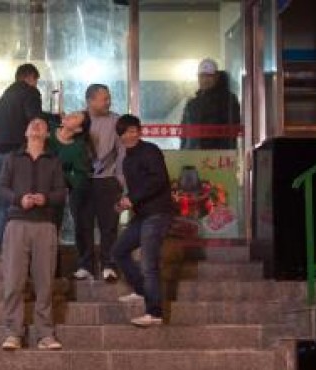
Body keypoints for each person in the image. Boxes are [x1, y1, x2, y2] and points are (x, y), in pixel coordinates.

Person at [0, 116, 66, 351]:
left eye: (42, 125)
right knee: (13, 281)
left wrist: (45, 198)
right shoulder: (12, 159)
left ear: (47, 134)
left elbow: (61, 193)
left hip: (45, 225)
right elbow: (1, 188)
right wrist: (19, 199)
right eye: (32, 124)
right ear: (26, 132)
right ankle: (13, 333)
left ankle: (45, 334)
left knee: (45, 283)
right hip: (17, 223)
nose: (36, 126)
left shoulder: (54, 161)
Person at [111, 115, 174, 328]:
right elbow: (135, 189)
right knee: (119, 251)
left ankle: (154, 312)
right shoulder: (127, 159)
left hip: (158, 213)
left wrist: (133, 198)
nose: (134, 134)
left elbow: (159, 180)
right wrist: (124, 202)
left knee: (149, 263)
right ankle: (140, 290)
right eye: (128, 131)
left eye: (136, 129)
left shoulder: (150, 151)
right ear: (120, 136)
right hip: (142, 215)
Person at [0, 63, 44, 253]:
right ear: (30, 77)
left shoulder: (5, 95)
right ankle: (16, 249)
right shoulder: (29, 92)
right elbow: (35, 120)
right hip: (17, 154)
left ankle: (2, 247)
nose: (36, 84)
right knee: (19, 203)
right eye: (36, 80)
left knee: (3, 202)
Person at [76, 84, 124, 283]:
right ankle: (85, 265)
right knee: (83, 225)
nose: (108, 102)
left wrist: (121, 181)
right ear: (90, 101)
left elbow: (122, 153)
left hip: (108, 181)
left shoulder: (116, 121)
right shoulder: (77, 119)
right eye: (104, 98)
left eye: (109, 98)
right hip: (82, 181)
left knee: (109, 226)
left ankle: (109, 265)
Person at [48, 110, 94, 247]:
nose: (68, 116)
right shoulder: (49, 130)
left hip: (57, 191)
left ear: (79, 129)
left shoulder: (78, 147)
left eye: (74, 117)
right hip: (37, 185)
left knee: (55, 227)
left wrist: (64, 178)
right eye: (70, 114)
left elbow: (81, 175)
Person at [179, 58, 241, 150]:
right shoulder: (192, 104)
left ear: (216, 77)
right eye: (202, 76)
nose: (205, 80)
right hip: (193, 155)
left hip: (218, 155)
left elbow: (232, 130)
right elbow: (184, 133)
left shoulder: (228, 100)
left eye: (209, 76)